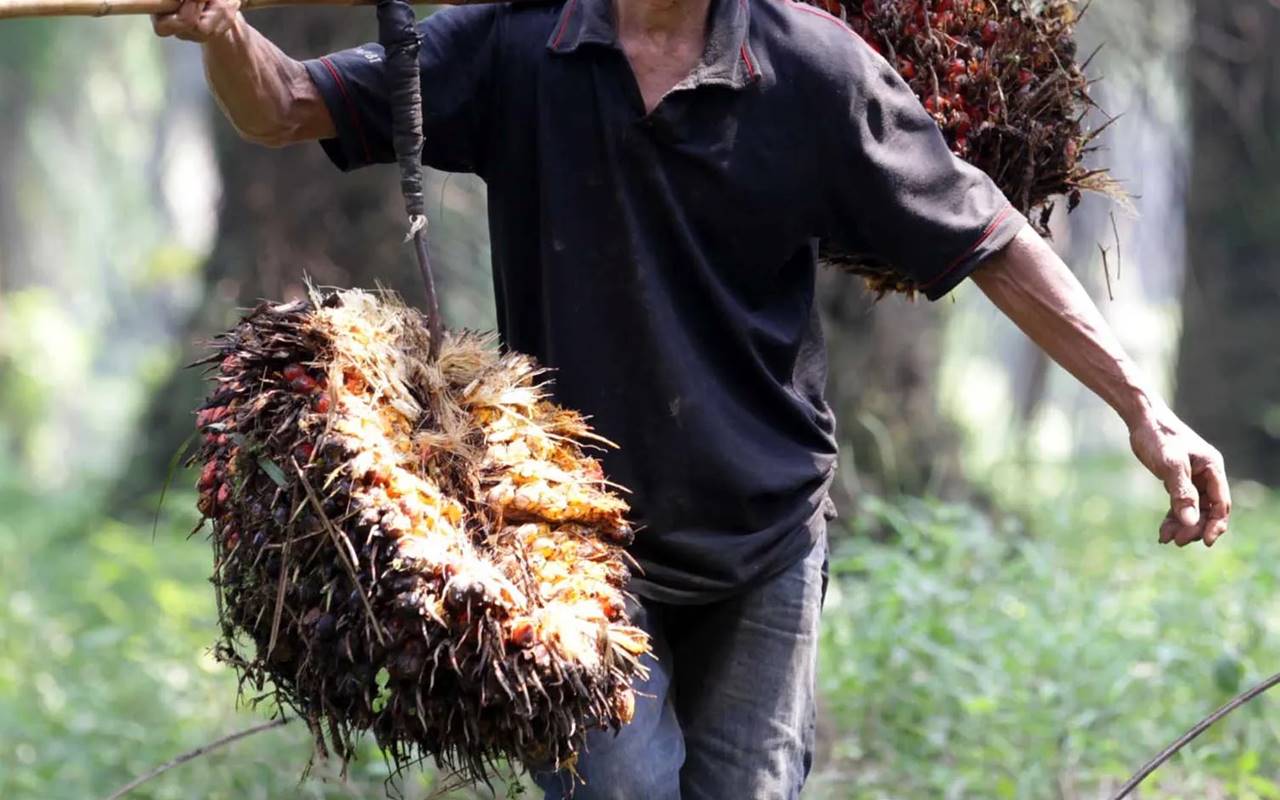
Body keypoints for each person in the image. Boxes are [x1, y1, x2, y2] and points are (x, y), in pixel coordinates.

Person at [154, 1, 1233, 797]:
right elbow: (290, 104)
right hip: (569, 545)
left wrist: (1142, 404)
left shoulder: (814, 71)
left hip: (760, 535)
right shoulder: (517, 46)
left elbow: (987, 236)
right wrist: (220, 32)